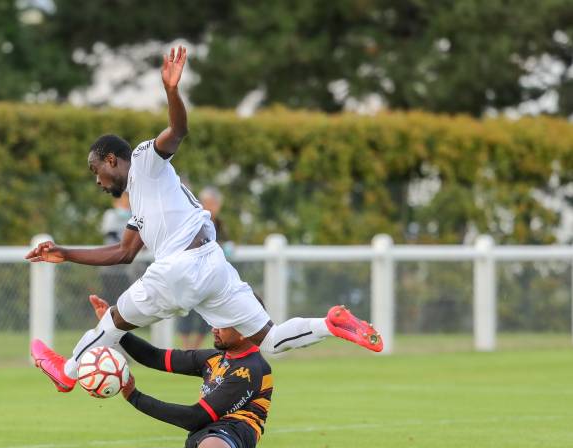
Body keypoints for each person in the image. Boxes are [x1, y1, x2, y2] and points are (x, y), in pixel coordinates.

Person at [26, 46, 382, 394]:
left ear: (111, 159)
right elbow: (122, 252)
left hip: (181, 266)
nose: (98, 181)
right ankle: (330, 324)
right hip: (212, 266)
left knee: (114, 321)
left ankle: (68, 371)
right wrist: (65, 253)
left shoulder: (144, 161)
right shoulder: (144, 203)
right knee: (269, 340)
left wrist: (171, 90)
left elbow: (177, 131)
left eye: (96, 169)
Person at [0, 294, 334, 448]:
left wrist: (133, 396)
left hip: (228, 440)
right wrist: (113, 329)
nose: (214, 325)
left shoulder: (252, 368)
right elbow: (155, 356)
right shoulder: (215, 359)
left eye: (225, 320)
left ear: (249, 325)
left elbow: (194, 418)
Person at [177, 185, 230, 349]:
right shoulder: (193, 220)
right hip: (191, 275)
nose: (211, 206)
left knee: (206, 316)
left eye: (214, 203)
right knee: (185, 312)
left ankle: (195, 348)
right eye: (207, 202)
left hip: (211, 277)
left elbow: (226, 242)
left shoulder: (220, 224)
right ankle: (187, 349)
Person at [99, 193, 134, 303]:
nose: (126, 204)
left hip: (129, 269)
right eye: (123, 201)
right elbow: (112, 237)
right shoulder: (110, 215)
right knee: (112, 299)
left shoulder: (134, 217)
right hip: (112, 269)